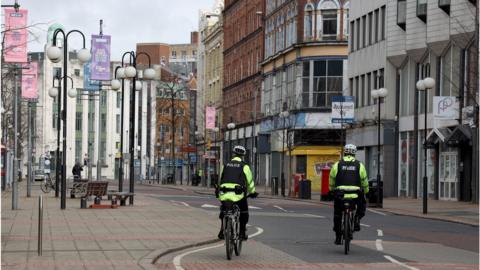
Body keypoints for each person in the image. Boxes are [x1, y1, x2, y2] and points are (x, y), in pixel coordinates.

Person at [329, 144, 369, 245]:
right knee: (362, 204)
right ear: (354, 153)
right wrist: (366, 191)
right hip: (355, 194)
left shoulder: (337, 164)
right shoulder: (360, 165)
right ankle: (356, 219)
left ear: (345, 152)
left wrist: (331, 189)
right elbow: (364, 180)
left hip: (340, 194)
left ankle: (338, 237)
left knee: (337, 214)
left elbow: (332, 178)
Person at [216, 145, 258, 241]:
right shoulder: (245, 166)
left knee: (224, 209)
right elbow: (250, 181)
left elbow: (220, 179)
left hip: (224, 192)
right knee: (244, 212)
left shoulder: (225, 165)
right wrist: (252, 192)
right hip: (238, 194)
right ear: (242, 156)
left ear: (233, 154)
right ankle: (242, 233)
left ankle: (222, 230)